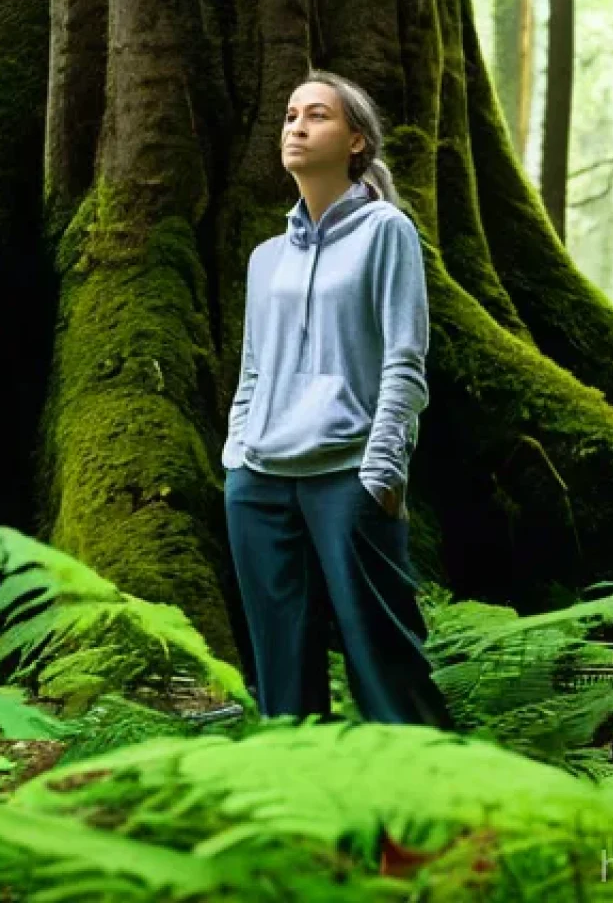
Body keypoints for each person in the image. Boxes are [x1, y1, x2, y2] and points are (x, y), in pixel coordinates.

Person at [221, 69, 453, 730]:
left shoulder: (386, 231)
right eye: (290, 115)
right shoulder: (266, 257)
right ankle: (306, 796)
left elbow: (404, 359)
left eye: (316, 115)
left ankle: (423, 797)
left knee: (387, 669)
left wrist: (382, 470)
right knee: (281, 682)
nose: (296, 126)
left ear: (356, 142)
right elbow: (253, 369)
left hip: (349, 476)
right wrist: (237, 457)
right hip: (259, 482)